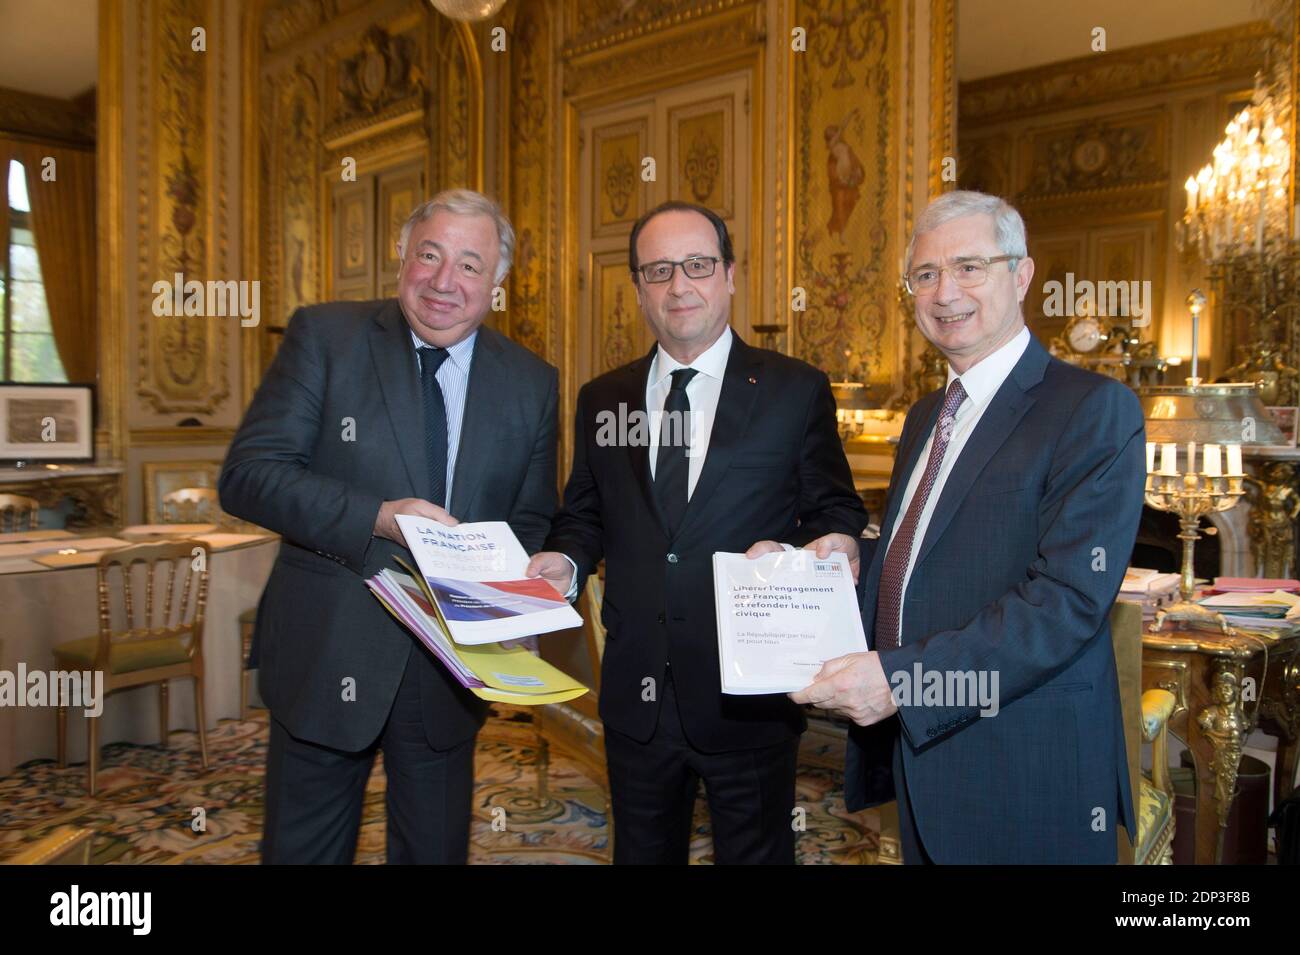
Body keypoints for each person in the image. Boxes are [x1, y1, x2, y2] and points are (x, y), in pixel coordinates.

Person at [793, 190, 1143, 864]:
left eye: (969, 267)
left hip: (1025, 769)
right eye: (925, 275)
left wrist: (905, 682)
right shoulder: (927, 414)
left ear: (1022, 275)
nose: (944, 291)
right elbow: (927, 560)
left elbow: (1066, 603)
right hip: (923, 763)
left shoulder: (1093, 409)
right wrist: (845, 558)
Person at [219, 189, 558, 864]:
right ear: (401, 255)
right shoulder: (325, 336)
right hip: (326, 653)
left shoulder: (532, 381)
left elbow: (529, 516)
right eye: (429, 254)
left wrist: (530, 577)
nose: (443, 281)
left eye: (468, 265)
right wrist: (377, 517)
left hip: (448, 673)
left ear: (497, 284)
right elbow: (249, 475)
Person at [526, 201, 868, 864]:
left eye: (698, 265)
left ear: (730, 275)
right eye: (658, 271)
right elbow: (585, 512)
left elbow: (834, 508)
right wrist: (565, 562)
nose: (678, 285)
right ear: (638, 289)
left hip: (750, 696)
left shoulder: (793, 390)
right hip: (636, 693)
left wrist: (834, 545)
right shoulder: (604, 398)